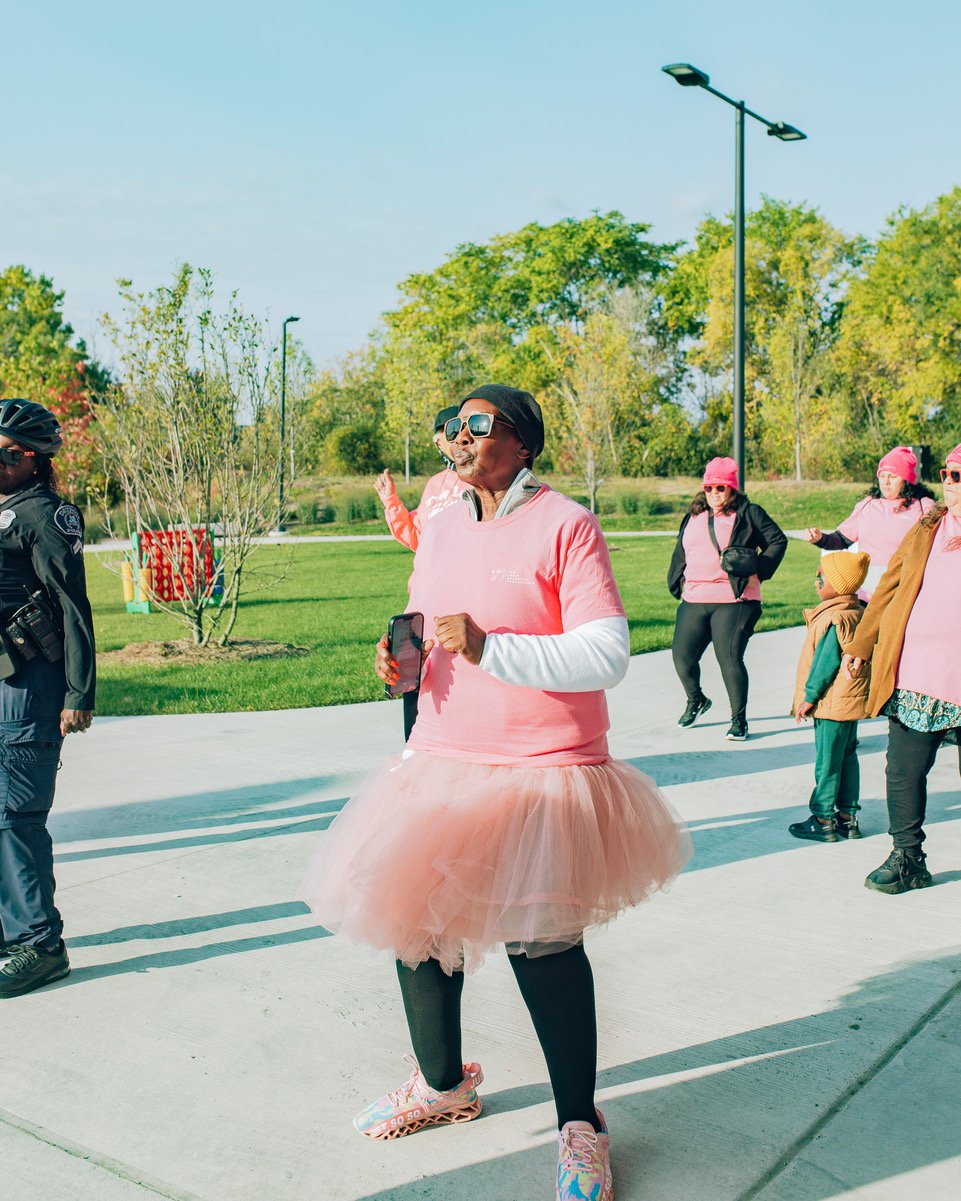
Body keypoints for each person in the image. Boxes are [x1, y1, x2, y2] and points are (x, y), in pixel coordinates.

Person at [299, 383, 691, 1201]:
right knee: (415, 926)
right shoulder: (441, 523)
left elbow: (606, 652)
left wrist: (491, 647)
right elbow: (423, 626)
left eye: (478, 423)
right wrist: (400, 661)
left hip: (541, 766)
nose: (459, 435)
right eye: (452, 424)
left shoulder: (566, 524)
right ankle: (443, 1086)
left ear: (523, 441)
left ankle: (580, 1124)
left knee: (542, 946)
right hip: (442, 753)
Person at [0, 398, 96, 998]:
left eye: (5, 453)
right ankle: (11, 933)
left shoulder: (43, 515)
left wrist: (79, 691)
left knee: (16, 815)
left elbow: (72, 606)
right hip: (2, 682)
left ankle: (40, 945)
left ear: (31, 459)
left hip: (32, 686)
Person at [842, 443, 961, 895]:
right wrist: (862, 643)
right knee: (903, 771)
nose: (949, 484)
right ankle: (907, 858)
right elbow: (889, 587)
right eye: (947, 474)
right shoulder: (928, 526)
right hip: (918, 676)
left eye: (958, 476)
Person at [668, 456, 787, 741]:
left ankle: (738, 721)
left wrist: (759, 570)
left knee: (729, 658)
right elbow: (682, 550)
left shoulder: (748, 513)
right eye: (708, 487)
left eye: (720, 488)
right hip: (695, 597)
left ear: (732, 488)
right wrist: (677, 580)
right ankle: (696, 699)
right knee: (682, 658)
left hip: (735, 599)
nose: (713, 493)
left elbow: (777, 541)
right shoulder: (694, 516)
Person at [788, 551, 871, 843]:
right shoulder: (858, 612)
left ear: (837, 585)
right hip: (849, 702)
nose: (816, 582)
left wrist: (809, 697)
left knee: (827, 761)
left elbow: (825, 662)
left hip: (830, 702)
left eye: (821, 577)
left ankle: (823, 818)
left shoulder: (834, 618)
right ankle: (848, 818)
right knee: (847, 756)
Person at [804, 446, 935, 601]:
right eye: (882, 476)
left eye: (893, 476)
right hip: (866, 597)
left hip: (905, 597)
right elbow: (842, 539)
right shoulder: (867, 505)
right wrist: (820, 539)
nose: (886, 482)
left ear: (907, 480)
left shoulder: (924, 507)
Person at [375, 405, 466, 552]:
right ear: (439, 443)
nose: (462, 438)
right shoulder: (434, 484)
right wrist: (391, 501)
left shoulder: (484, 478)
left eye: (467, 429)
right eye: (453, 431)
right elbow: (416, 535)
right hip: (433, 566)